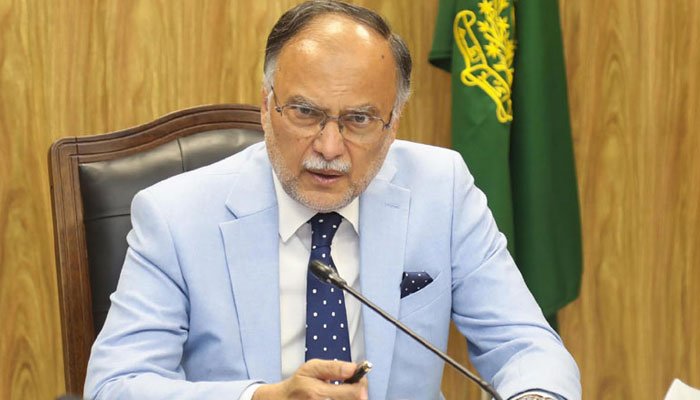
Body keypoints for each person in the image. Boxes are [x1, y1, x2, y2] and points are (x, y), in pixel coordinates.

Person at [84, 1, 581, 399]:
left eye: (359, 120)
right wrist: (262, 398)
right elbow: (115, 385)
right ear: (267, 106)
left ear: (393, 124)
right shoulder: (175, 216)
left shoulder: (442, 189)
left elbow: (525, 345)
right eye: (305, 113)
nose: (328, 147)